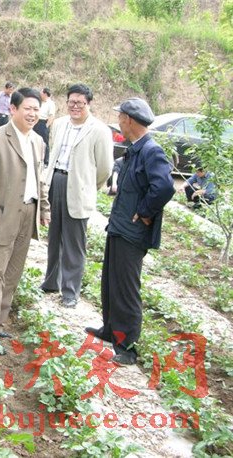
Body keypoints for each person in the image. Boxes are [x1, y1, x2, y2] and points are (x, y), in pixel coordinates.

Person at [86, 97, 175, 366]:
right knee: (111, 280)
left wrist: (145, 211)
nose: (119, 122)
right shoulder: (135, 149)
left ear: (130, 120)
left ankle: (127, 347)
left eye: (121, 117)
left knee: (126, 287)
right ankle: (111, 329)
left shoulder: (151, 151)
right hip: (119, 226)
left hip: (133, 231)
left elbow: (164, 187)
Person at [0, 87, 51, 356]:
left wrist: (44, 209)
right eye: (27, 108)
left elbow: (40, 179)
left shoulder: (38, 141)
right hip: (1, 216)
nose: (32, 114)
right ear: (13, 109)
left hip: (28, 213)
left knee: (12, 273)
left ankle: (0, 321)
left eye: (36, 109)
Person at [40, 83, 113, 308]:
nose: (75, 106)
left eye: (80, 103)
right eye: (72, 102)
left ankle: (70, 291)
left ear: (88, 104)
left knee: (74, 242)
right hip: (56, 181)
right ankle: (51, 281)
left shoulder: (99, 130)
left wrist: (88, 186)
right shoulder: (59, 124)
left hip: (78, 188)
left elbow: (105, 168)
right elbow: (52, 153)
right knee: (54, 235)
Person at [33, 87, 56, 165]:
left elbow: (51, 116)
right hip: (35, 122)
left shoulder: (51, 103)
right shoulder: (39, 101)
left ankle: (46, 161)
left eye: (41, 93)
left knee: (44, 142)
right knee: (33, 139)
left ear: (45, 94)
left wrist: (46, 126)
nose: (40, 94)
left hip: (43, 123)